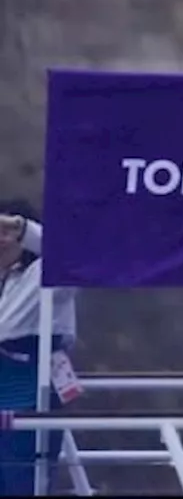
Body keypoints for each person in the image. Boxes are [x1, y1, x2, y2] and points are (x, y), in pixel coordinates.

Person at [0, 201, 75, 496]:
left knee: (24, 483)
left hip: (30, 394)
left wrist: (21, 229)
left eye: (8, 233)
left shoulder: (49, 276)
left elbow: (73, 256)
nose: (2, 240)